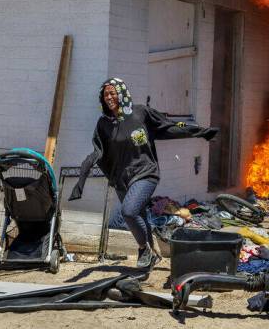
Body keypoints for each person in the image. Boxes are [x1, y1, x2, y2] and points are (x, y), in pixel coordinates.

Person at [69, 78, 217, 269]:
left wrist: (201, 132)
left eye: (112, 93)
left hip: (146, 173)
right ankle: (152, 254)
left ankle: (143, 249)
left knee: (129, 211)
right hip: (122, 179)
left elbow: (168, 125)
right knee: (140, 215)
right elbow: (97, 152)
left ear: (122, 93)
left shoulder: (140, 113)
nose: (109, 97)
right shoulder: (103, 124)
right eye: (105, 94)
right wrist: (81, 179)